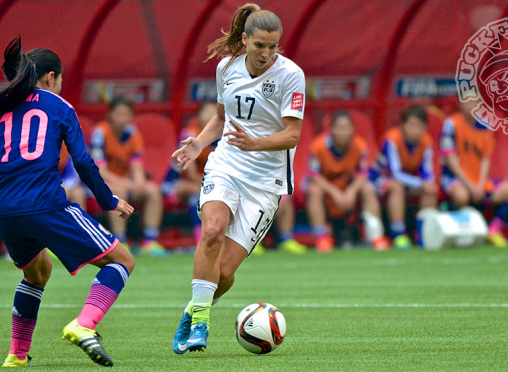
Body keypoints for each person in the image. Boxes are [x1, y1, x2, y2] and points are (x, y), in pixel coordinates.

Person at [0, 36, 135, 367]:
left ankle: (17, 355)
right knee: (122, 262)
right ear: (51, 77)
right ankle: (84, 325)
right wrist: (108, 199)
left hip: (4, 212)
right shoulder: (59, 106)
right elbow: (82, 162)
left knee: (37, 273)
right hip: (47, 205)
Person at [171, 3, 305, 353]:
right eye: (260, 45)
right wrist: (199, 143)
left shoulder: (291, 75)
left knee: (226, 271)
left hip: (266, 182)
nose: (267, 53)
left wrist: (255, 143)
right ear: (244, 40)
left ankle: (191, 311)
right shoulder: (226, 67)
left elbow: (292, 135)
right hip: (226, 165)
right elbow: (221, 117)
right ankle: (201, 322)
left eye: (273, 46)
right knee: (212, 231)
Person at [91, 96, 166, 256]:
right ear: (110, 115)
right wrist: (128, 184)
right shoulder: (100, 132)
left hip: (125, 182)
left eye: (126, 114)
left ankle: (149, 241)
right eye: (118, 114)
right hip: (99, 184)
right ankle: (121, 241)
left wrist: (139, 182)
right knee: (117, 192)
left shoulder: (132, 133)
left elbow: (137, 165)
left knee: (152, 190)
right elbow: (101, 172)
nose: (122, 118)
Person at [306, 111, 389, 252]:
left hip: (347, 187)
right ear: (331, 129)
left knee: (367, 189)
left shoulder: (359, 145)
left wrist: (351, 192)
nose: (343, 132)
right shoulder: (318, 146)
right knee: (314, 190)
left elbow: (363, 173)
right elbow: (314, 175)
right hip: (326, 187)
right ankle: (321, 238)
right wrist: (334, 192)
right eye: (339, 127)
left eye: (347, 127)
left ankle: (376, 236)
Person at [369, 106, 437, 249]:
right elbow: (395, 173)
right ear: (402, 125)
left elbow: (427, 171)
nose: (414, 130)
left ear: (424, 127)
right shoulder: (392, 139)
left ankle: (424, 234)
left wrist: (428, 183)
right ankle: (398, 234)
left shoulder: (426, 141)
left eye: (419, 126)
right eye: (411, 125)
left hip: (408, 181)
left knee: (430, 190)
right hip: (379, 179)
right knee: (397, 187)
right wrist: (421, 183)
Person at [162, 102, 218, 247]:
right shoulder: (190, 135)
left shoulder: (222, 136)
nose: (210, 117)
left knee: (200, 196)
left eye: (214, 113)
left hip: (201, 185)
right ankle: (202, 239)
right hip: (175, 184)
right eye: (206, 112)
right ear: (198, 116)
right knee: (203, 194)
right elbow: (190, 173)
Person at [440, 101, 495, 208]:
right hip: (455, 178)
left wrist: (480, 185)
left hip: (479, 180)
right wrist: (471, 186)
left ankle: (495, 224)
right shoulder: (451, 123)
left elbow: (486, 158)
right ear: (460, 104)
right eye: (466, 102)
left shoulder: (486, 125)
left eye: (473, 101)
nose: (470, 105)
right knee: (461, 197)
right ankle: (448, 211)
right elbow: (451, 160)